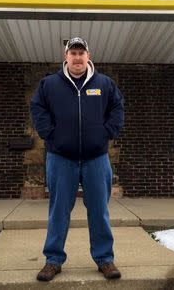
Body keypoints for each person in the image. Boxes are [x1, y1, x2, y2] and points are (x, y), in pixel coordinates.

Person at [30, 37, 125, 282]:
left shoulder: (104, 83)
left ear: (88, 56)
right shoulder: (49, 84)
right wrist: (50, 134)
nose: (77, 57)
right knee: (59, 210)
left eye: (81, 53)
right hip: (61, 158)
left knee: (99, 210)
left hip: (97, 158)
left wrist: (107, 132)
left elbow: (117, 108)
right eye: (73, 53)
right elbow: (37, 109)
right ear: (66, 57)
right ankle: (53, 260)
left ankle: (105, 259)